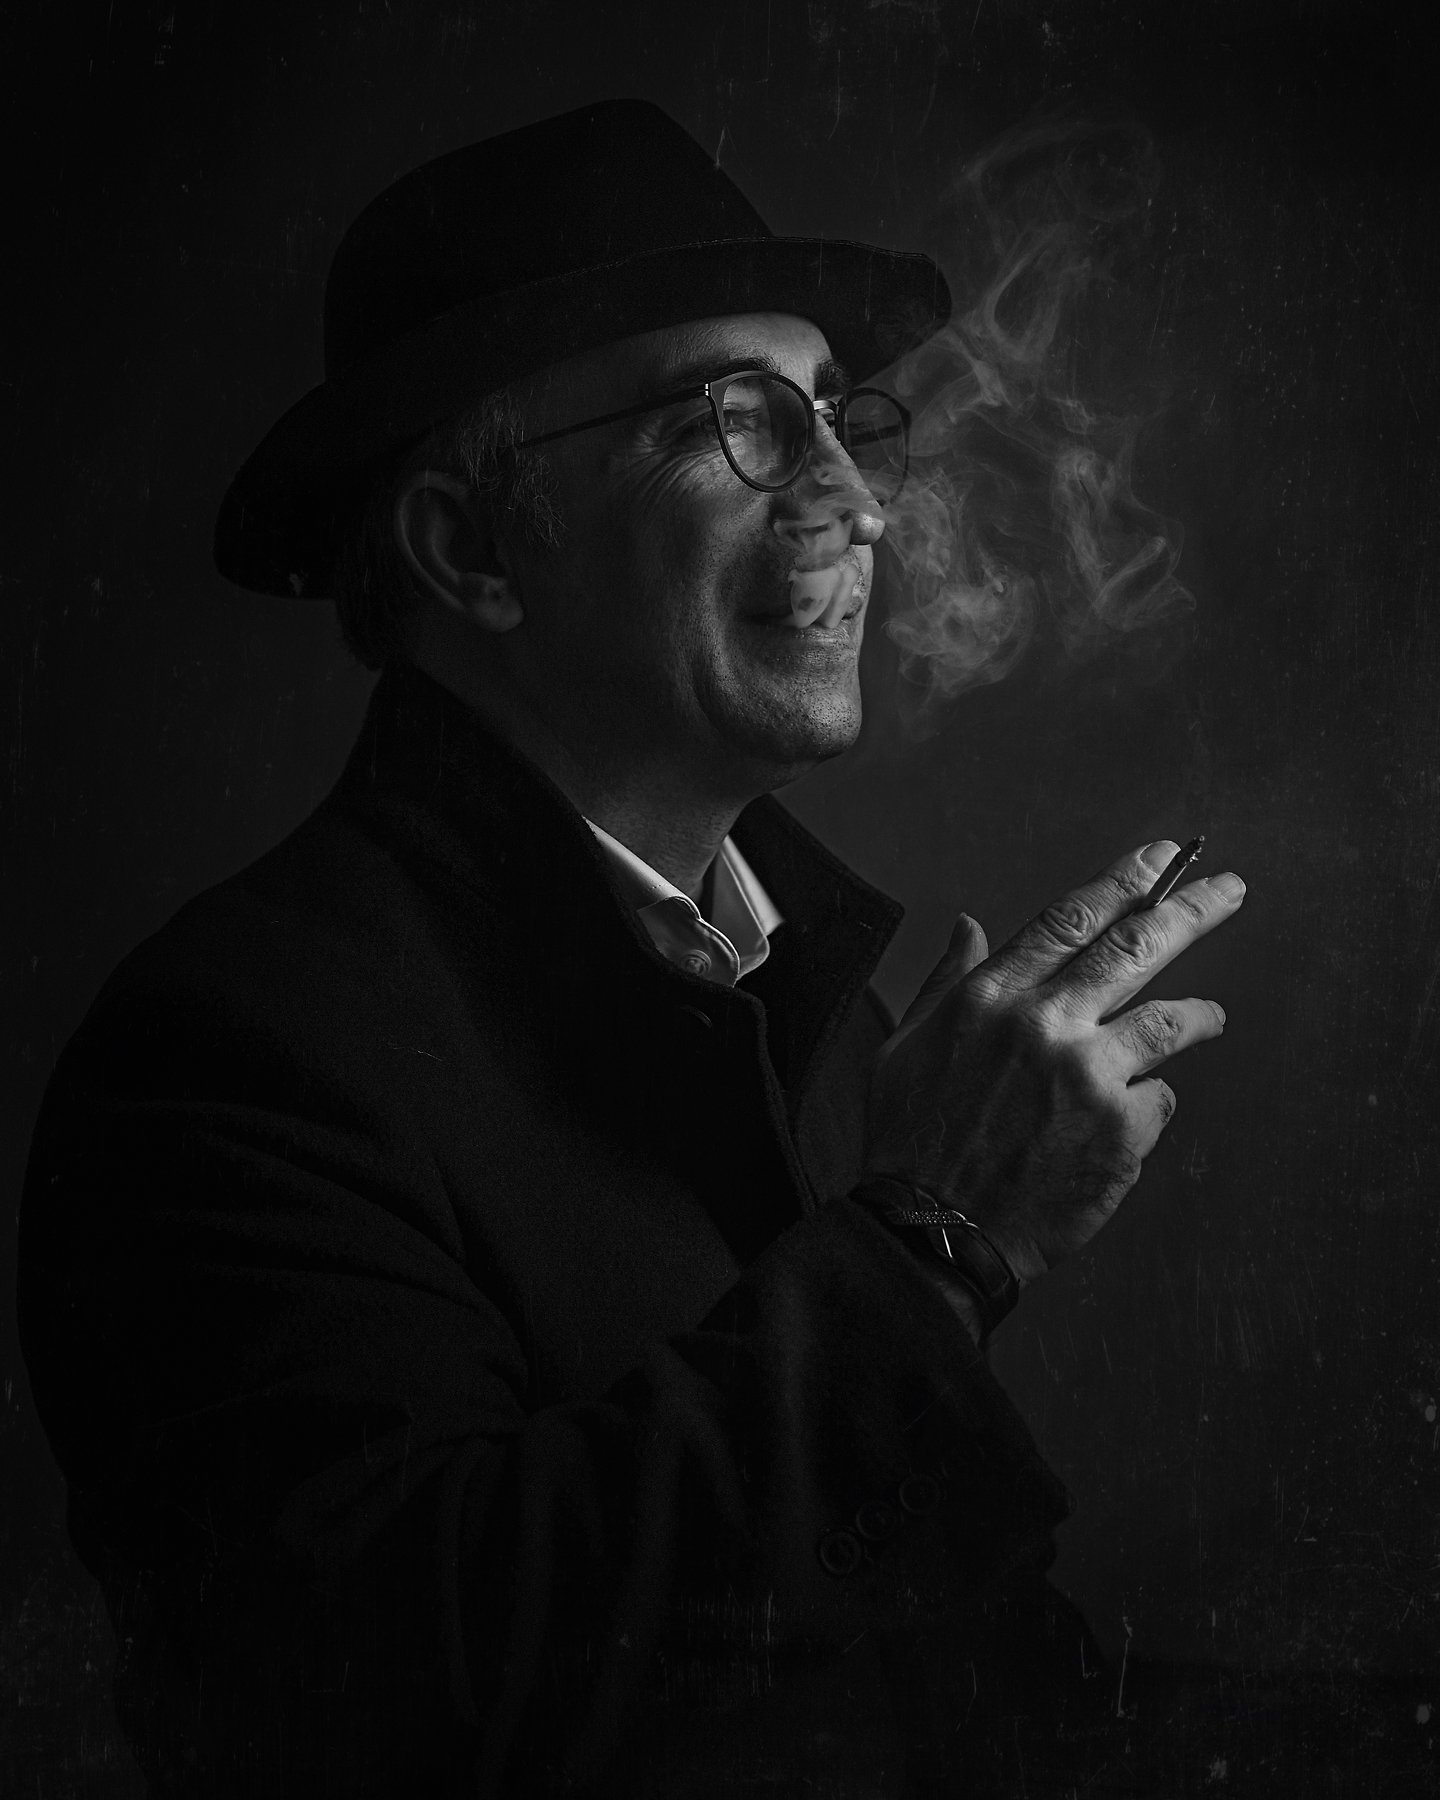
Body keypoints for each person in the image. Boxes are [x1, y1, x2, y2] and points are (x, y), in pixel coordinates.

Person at [19, 99, 1243, 1797]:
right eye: (738, 424)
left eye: (836, 419)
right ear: (468, 548)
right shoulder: (230, 1060)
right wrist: (930, 1245)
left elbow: (948, 1674)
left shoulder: (818, 1010)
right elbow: (400, 1700)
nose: (857, 506)